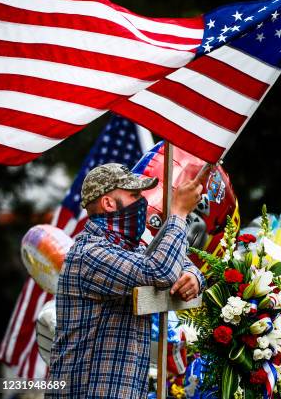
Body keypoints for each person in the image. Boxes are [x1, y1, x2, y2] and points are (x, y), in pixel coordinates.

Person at [46, 163, 206, 398]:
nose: (142, 201)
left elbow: (173, 262)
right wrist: (179, 213)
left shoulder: (129, 249)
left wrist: (193, 276)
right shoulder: (90, 253)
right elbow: (159, 270)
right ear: (108, 203)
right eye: (134, 195)